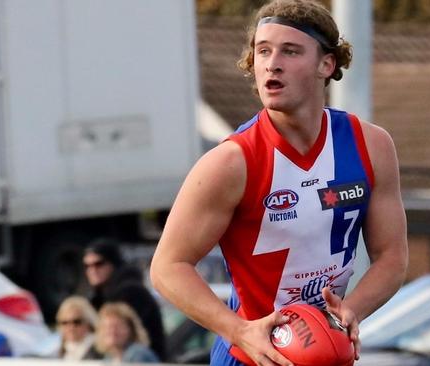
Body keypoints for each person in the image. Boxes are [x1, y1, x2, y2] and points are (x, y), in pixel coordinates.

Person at [150, 0, 409, 365]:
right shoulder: (230, 163)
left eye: (290, 51)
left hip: (324, 352)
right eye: (263, 51)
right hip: (251, 356)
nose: (272, 64)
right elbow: (167, 267)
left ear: (326, 64)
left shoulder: (371, 145)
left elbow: (392, 257)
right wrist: (238, 330)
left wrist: (352, 310)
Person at [83, 239, 166, 361]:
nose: (93, 270)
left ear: (113, 263)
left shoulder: (129, 292)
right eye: (87, 266)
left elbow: (127, 337)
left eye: (99, 264)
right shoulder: (105, 293)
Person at [53, 296, 102, 360]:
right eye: (64, 322)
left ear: (89, 323)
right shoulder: (58, 350)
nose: (71, 327)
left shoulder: (100, 349)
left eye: (76, 322)